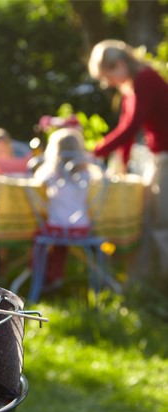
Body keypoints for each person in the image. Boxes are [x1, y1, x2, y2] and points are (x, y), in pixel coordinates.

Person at [88, 39, 168, 276]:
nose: (109, 83)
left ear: (120, 64)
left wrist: (95, 152)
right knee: (147, 216)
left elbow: (131, 126)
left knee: (162, 221)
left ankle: (163, 283)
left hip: (166, 156)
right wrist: (120, 165)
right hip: (157, 157)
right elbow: (127, 129)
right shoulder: (130, 87)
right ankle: (146, 277)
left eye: (108, 76)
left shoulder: (146, 79)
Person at [32, 127, 103, 289]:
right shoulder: (88, 172)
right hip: (81, 228)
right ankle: (55, 276)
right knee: (60, 242)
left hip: (55, 228)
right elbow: (100, 182)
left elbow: (35, 182)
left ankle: (41, 276)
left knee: (39, 237)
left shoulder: (49, 173)